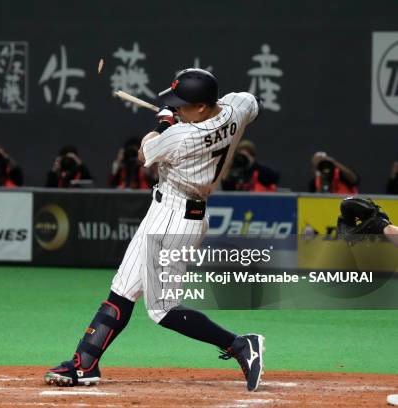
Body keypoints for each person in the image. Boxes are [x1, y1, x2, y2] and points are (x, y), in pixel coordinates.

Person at [44, 68, 265, 391]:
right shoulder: (237, 106)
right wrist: (193, 119)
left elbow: (143, 152)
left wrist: (164, 123)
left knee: (162, 310)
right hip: (169, 209)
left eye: (182, 103)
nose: (176, 107)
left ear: (202, 106)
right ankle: (85, 363)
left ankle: (239, 344)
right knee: (123, 287)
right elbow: (251, 105)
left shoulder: (182, 137)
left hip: (177, 218)